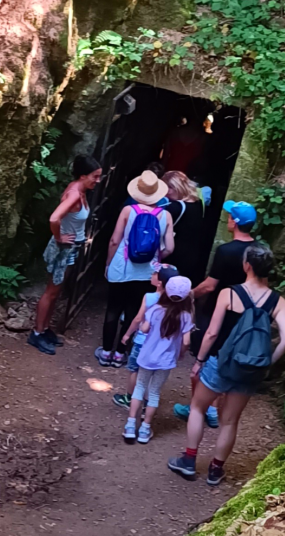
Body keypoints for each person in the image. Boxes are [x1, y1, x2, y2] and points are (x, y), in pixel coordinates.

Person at [167, 243, 285, 484]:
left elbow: (212, 333)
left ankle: (189, 461)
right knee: (230, 420)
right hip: (249, 369)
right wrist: (266, 364)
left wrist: (200, 361)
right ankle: (216, 469)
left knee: (197, 408)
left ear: (247, 266)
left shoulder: (230, 293)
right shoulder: (278, 301)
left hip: (220, 362)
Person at [172, 200, 258, 427]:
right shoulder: (259, 250)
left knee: (206, 357)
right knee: (224, 358)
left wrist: (189, 294)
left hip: (219, 310)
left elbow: (210, 286)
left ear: (234, 222)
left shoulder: (226, 251)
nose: (228, 218)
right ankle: (212, 408)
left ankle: (199, 408)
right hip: (245, 315)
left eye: (230, 215)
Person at [96, 171, 175, 368]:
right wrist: (156, 258)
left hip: (121, 267)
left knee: (113, 308)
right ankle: (121, 354)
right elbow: (170, 247)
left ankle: (106, 352)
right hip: (147, 271)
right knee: (133, 310)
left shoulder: (128, 211)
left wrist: (108, 263)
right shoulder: (166, 215)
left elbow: (115, 240)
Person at [28, 155, 103, 355]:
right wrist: (59, 237)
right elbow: (54, 218)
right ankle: (36, 333)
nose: (97, 181)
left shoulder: (78, 189)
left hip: (70, 248)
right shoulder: (74, 195)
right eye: (94, 177)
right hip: (64, 248)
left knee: (56, 291)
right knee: (51, 291)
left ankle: (44, 329)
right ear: (82, 175)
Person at [122, 275, 194, 444]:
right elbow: (186, 341)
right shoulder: (186, 316)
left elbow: (144, 329)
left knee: (140, 387)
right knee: (153, 392)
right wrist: (181, 353)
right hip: (166, 360)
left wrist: (142, 326)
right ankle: (145, 428)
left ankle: (130, 426)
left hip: (147, 356)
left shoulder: (155, 310)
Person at [112, 264, 179, 409]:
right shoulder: (177, 303)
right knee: (154, 374)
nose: (152, 274)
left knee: (135, 370)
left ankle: (129, 398)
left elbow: (138, 319)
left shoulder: (149, 297)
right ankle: (147, 405)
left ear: (160, 283)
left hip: (143, 341)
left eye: (155, 273)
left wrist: (127, 334)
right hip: (162, 345)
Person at [161, 171, 211, 286]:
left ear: (176, 187)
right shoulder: (198, 203)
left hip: (174, 257)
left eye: (168, 188)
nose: (165, 193)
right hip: (192, 256)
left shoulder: (175, 207)